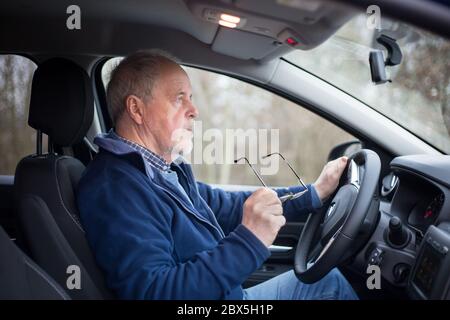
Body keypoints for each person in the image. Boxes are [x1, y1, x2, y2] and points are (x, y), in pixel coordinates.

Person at [76, 50, 358, 300]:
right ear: (136, 109)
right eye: (179, 98)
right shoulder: (116, 187)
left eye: (191, 98)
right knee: (328, 286)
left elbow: (227, 205)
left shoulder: (161, 170)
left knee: (326, 280)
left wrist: (314, 193)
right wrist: (249, 240)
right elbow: (154, 292)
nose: (194, 110)